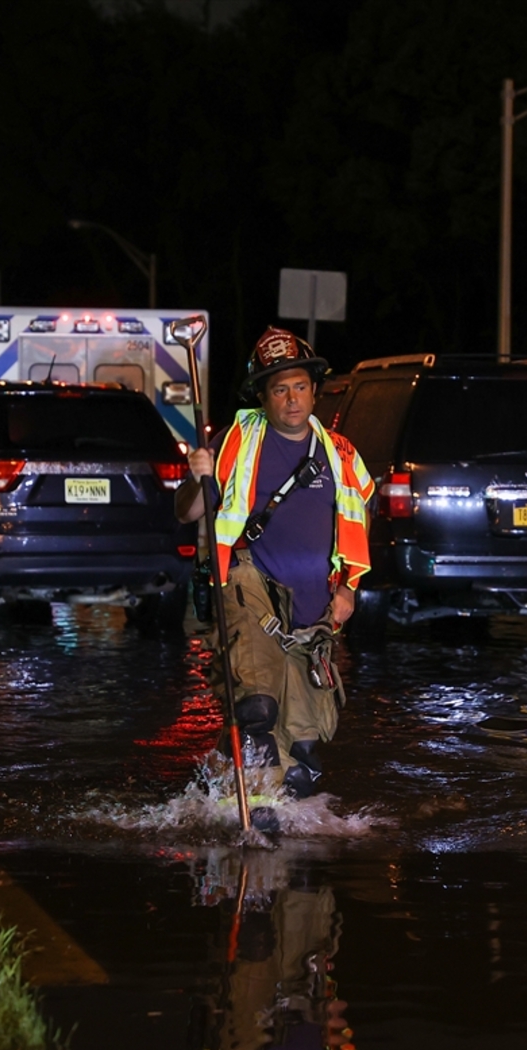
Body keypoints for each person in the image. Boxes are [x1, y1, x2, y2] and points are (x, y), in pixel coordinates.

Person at [176, 328, 375, 803]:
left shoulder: (341, 455)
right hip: (248, 589)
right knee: (258, 710)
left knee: (304, 754)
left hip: (313, 615)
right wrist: (195, 478)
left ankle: (226, 791)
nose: (292, 399)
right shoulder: (236, 443)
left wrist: (348, 591)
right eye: (279, 389)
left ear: (314, 390)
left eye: (300, 386)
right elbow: (187, 512)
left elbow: (357, 526)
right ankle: (250, 825)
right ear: (262, 396)